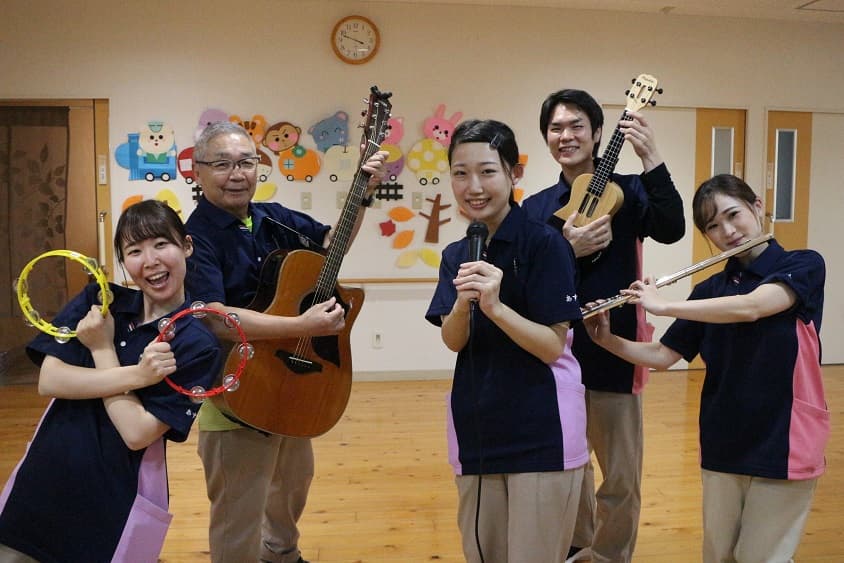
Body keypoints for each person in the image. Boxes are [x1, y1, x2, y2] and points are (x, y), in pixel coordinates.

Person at [582, 173, 829, 563]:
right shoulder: (709, 291)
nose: (727, 231)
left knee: (762, 557)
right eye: (713, 226)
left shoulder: (803, 264)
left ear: (757, 207)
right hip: (723, 439)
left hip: (785, 437)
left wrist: (664, 305)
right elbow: (663, 356)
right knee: (717, 554)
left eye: (733, 215)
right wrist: (607, 340)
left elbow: (754, 306)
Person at [184, 121, 386, 563]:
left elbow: (331, 244)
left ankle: (281, 554)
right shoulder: (194, 237)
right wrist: (300, 325)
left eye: (246, 162)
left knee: (293, 483)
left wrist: (362, 194)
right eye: (222, 164)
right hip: (235, 389)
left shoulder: (272, 217)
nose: (237, 174)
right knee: (238, 510)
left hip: (291, 380)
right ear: (197, 172)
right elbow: (215, 318)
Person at [0, 200, 222, 563]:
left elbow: (136, 432)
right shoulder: (99, 301)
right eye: (134, 251)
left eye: (161, 244)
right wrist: (137, 375)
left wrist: (101, 349)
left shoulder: (197, 343)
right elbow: (51, 380)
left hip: (113, 499)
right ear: (123, 261)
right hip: (44, 475)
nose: (150, 260)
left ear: (186, 246)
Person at [521, 89, 685, 563]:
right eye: (556, 128)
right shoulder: (536, 208)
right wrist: (566, 248)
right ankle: (577, 549)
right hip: (555, 353)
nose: (566, 135)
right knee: (568, 468)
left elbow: (672, 227)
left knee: (620, 476)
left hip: (615, 348)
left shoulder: (629, 191)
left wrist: (651, 158)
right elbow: (524, 278)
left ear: (597, 133)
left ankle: (611, 556)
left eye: (577, 126)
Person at [425, 119, 587, 562]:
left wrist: (496, 308)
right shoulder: (456, 254)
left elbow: (552, 345)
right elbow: (453, 341)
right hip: (476, 426)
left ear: (514, 173)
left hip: (543, 430)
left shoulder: (545, 245)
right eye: (460, 173)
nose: (473, 187)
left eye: (487, 171)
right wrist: (464, 304)